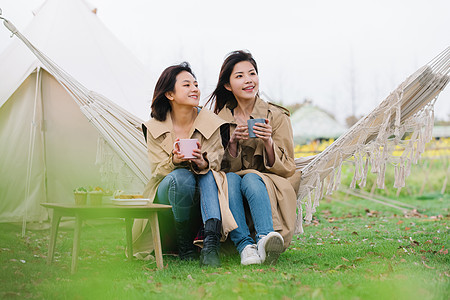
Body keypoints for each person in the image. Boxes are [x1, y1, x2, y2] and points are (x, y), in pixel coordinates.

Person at [132, 62, 236, 267]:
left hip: (204, 197)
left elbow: (216, 162)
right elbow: (156, 170)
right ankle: (184, 245)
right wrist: (174, 161)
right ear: (170, 94)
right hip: (168, 194)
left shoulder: (211, 123)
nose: (195, 89)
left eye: (196, 85)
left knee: (207, 173)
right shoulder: (153, 127)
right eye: (187, 85)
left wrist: (202, 161)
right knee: (181, 177)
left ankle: (211, 245)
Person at [207, 50, 301, 265]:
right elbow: (215, 167)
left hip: (270, 182)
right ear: (228, 85)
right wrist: (231, 143)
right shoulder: (217, 121)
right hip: (231, 183)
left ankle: (265, 238)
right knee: (230, 179)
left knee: (250, 178)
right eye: (239, 76)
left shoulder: (277, 116)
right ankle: (245, 247)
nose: (249, 80)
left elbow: (288, 168)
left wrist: (268, 142)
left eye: (252, 73)